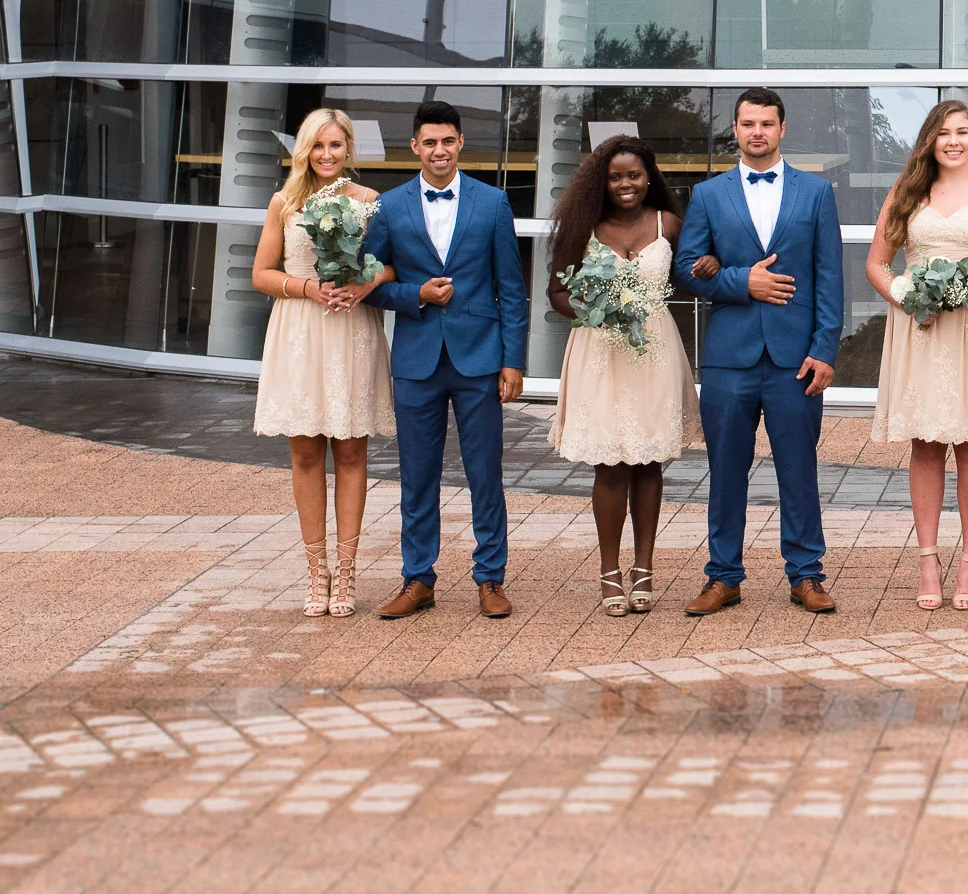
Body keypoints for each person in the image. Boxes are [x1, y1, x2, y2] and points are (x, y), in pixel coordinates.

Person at [672, 87, 845, 616]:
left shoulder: (815, 194)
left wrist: (825, 350)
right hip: (730, 356)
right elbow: (684, 269)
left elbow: (829, 278)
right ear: (736, 129)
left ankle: (806, 575)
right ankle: (723, 576)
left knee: (799, 470)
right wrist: (738, 282)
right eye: (747, 123)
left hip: (796, 359)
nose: (757, 132)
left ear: (782, 128)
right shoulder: (708, 195)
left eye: (766, 123)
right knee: (725, 471)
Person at [362, 102, 529, 621]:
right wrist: (416, 295)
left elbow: (511, 289)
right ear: (414, 146)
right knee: (417, 475)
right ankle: (418, 580)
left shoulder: (493, 203)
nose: (440, 150)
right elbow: (370, 283)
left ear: (460, 143)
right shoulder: (388, 207)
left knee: (485, 474)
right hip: (416, 359)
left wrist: (513, 360)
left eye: (448, 141)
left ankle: (490, 579)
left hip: (479, 356)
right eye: (430, 142)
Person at [866, 99, 968, 613]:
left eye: (962, 131)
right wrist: (909, 298)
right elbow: (876, 264)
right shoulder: (907, 192)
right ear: (930, 141)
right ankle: (927, 561)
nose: (953, 141)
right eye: (943, 133)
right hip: (922, 328)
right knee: (925, 443)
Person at [545, 136, 701, 616]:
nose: (625, 184)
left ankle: (645, 569)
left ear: (649, 176)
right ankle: (610, 571)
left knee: (650, 462)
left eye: (634, 175)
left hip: (654, 350)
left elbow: (693, 272)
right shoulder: (584, 225)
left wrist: (710, 264)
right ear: (602, 181)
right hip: (601, 351)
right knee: (610, 465)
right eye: (615, 177)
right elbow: (556, 291)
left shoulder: (669, 223)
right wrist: (593, 310)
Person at [250, 107, 396, 618]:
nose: (327, 155)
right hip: (300, 332)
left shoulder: (370, 202)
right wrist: (308, 288)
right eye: (318, 146)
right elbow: (261, 274)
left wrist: (364, 283)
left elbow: (393, 261)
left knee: (352, 451)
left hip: (351, 330)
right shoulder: (284, 203)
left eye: (336, 146)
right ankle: (317, 572)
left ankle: (348, 570)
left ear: (349, 149)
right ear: (304, 150)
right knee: (306, 454)